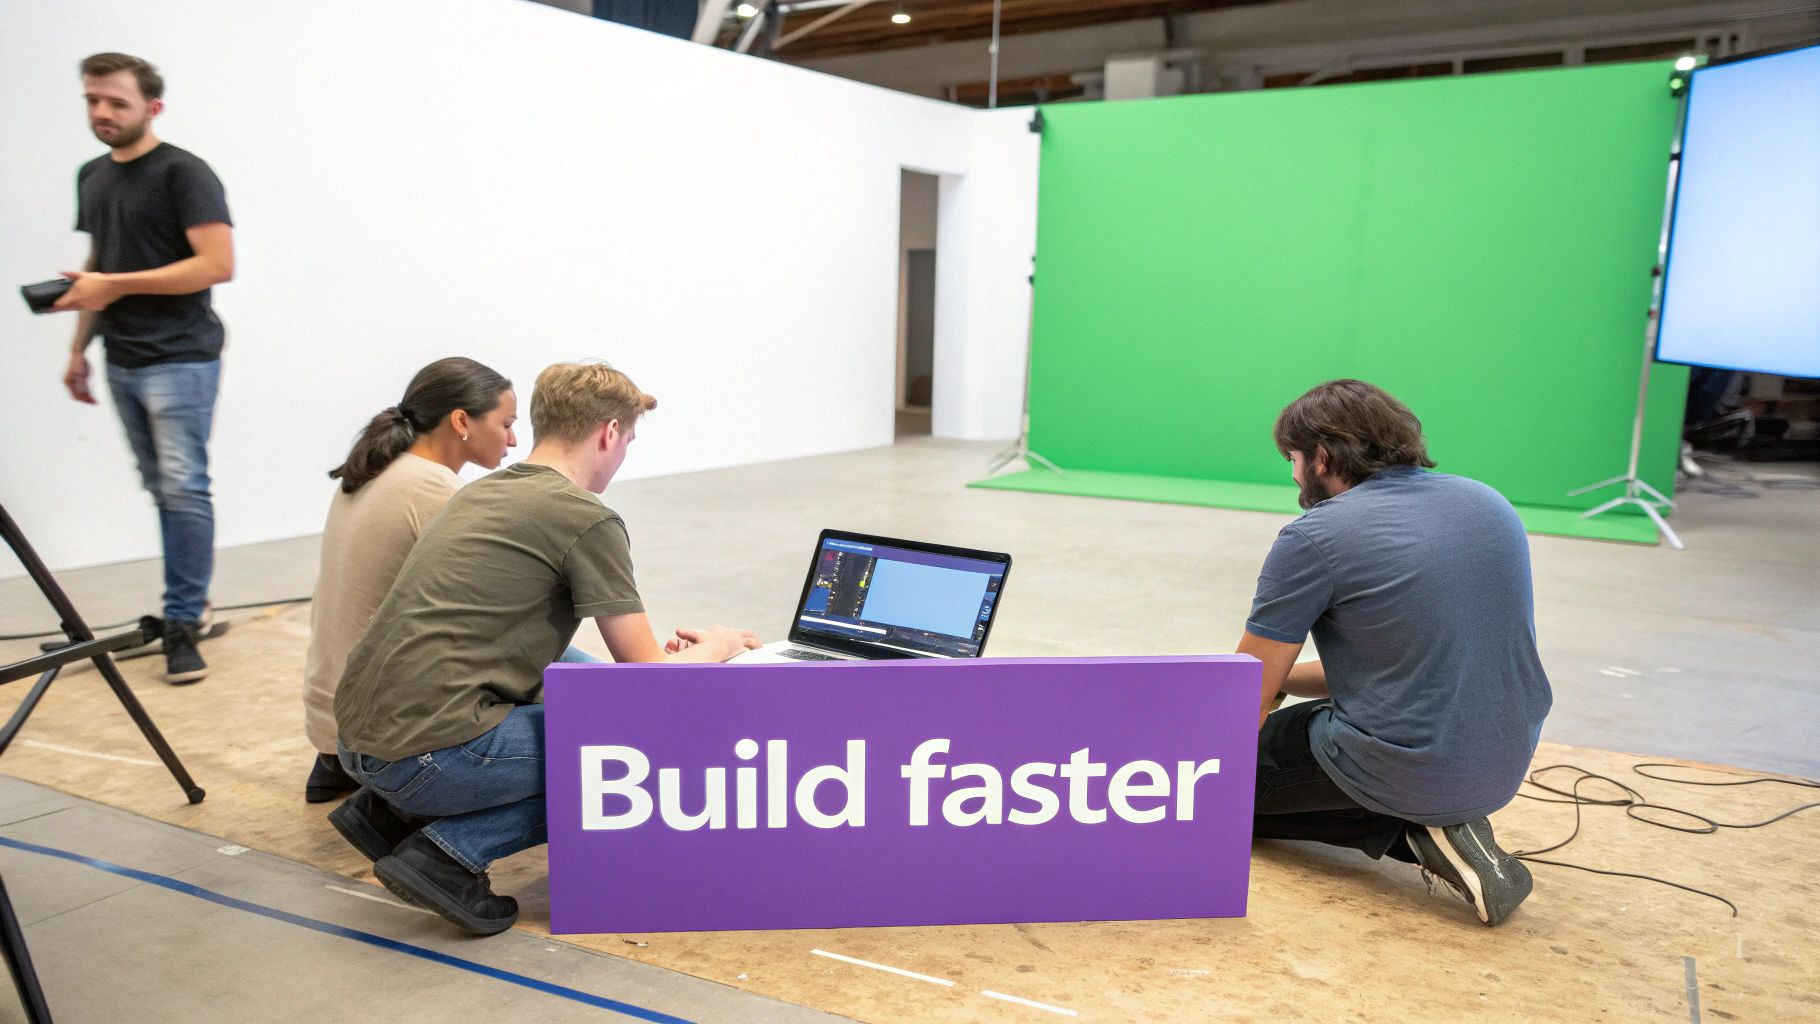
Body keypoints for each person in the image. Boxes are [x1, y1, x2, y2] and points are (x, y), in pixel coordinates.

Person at [329, 362, 761, 935]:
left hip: (357, 740)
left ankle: (389, 814)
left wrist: (667, 667)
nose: (624, 454)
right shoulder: (584, 518)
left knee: (598, 696)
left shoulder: (480, 492)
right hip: (426, 756)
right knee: (642, 753)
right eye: (629, 441)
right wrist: (721, 646)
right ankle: (448, 855)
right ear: (609, 432)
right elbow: (647, 672)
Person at [1238, 379, 1552, 927]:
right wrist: (1284, 678)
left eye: (1292, 459)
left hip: (1417, 763)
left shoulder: (1316, 536)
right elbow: (1400, 663)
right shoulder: (1488, 502)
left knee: (1217, 800)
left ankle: (1412, 830)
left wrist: (1187, 772)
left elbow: (1246, 696)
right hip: (1504, 756)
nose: (1292, 475)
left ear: (1322, 456)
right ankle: (1437, 823)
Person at [55, 53, 235, 684]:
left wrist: (113, 285)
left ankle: (182, 622)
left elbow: (216, 265)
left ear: (152, 108)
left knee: (184, 488)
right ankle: (192, 606)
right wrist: (78, 347)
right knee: (162, 487)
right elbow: (98, 262)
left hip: (180, 357)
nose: (101, 112)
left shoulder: (185, 173)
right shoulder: (92, 175)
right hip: (122, 356)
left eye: (117, 102)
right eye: (92, 100)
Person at [301, 358, 517, 803]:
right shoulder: (432, 488)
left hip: (328, 719)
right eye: (506, 424)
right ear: (462, 421)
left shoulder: (374, 469)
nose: (513, 439)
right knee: (548, 661)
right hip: (376, 729)